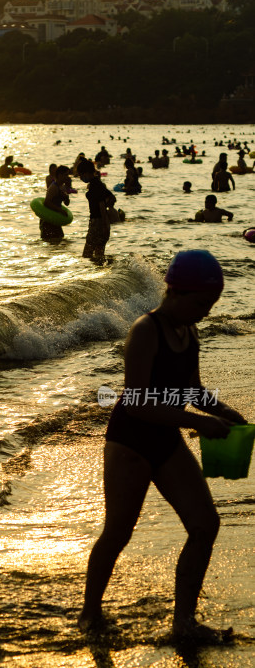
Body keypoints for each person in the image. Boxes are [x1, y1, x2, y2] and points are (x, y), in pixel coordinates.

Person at [78, 250, 246, 642]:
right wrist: (199, 423)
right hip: (130, 442)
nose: (205, 312)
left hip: (166, 439)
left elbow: (192, 391)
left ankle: (184, 623)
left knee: (205, 525)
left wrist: (227, 414)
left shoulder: (190, 333)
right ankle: (90, 614)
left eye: (211, 305)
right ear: (174, 291)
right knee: (118, 533)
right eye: (201, 303)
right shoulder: (145, 329)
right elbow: (137, 401)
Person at [77, 159, 114, 259]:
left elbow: (101, 205)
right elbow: (111, 198)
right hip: (103, 222)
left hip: (98, 223)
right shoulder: (99, 184)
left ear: (86, 173)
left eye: (81, 175)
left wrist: (104, 224)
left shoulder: (94, 187)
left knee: (87, 255)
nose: (80, 178)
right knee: (99, 255)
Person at [39, 164, 71, 241]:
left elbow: (66, 203)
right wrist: (60, 210)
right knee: (50, 240)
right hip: (48, 219)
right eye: (65, 175)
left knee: (59, 239)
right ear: (60, 175)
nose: (67, 177)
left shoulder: (62, 187)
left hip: (55, 218)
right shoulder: (53, 187)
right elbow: (46, 203)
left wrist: (66, 198)